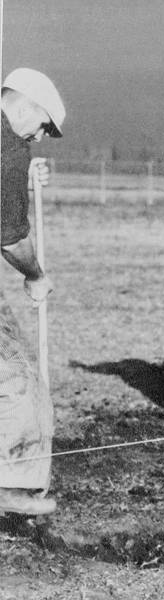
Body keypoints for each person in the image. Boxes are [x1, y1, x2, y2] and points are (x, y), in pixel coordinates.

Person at [0, 68, 65, 516]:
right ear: (21, 105)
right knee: (17, 377)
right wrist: (36, 275)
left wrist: (20, 175)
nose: (39, 137)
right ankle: (13, 482)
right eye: (41, 125)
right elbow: (10, 238)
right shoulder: (9, 146)